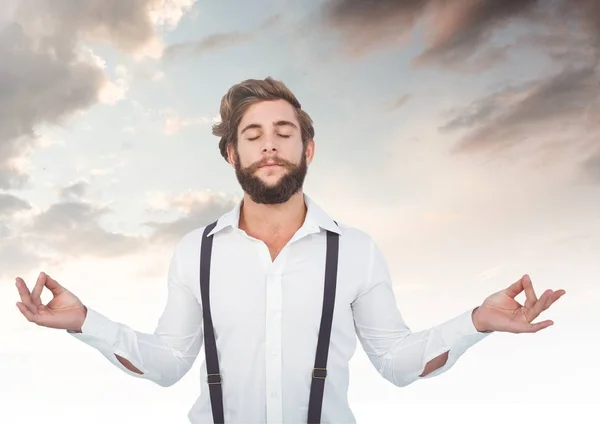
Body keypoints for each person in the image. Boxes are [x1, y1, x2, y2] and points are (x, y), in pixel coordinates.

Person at [15, 77, 566, 424]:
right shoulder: (195, 252)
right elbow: (166, 364)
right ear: (231, 154)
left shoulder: (355, 250)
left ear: (308, 148)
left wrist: (477, 322)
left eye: (283, 131)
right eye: (252, 135)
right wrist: (83, 321)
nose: (269, 144)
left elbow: (398, 364)